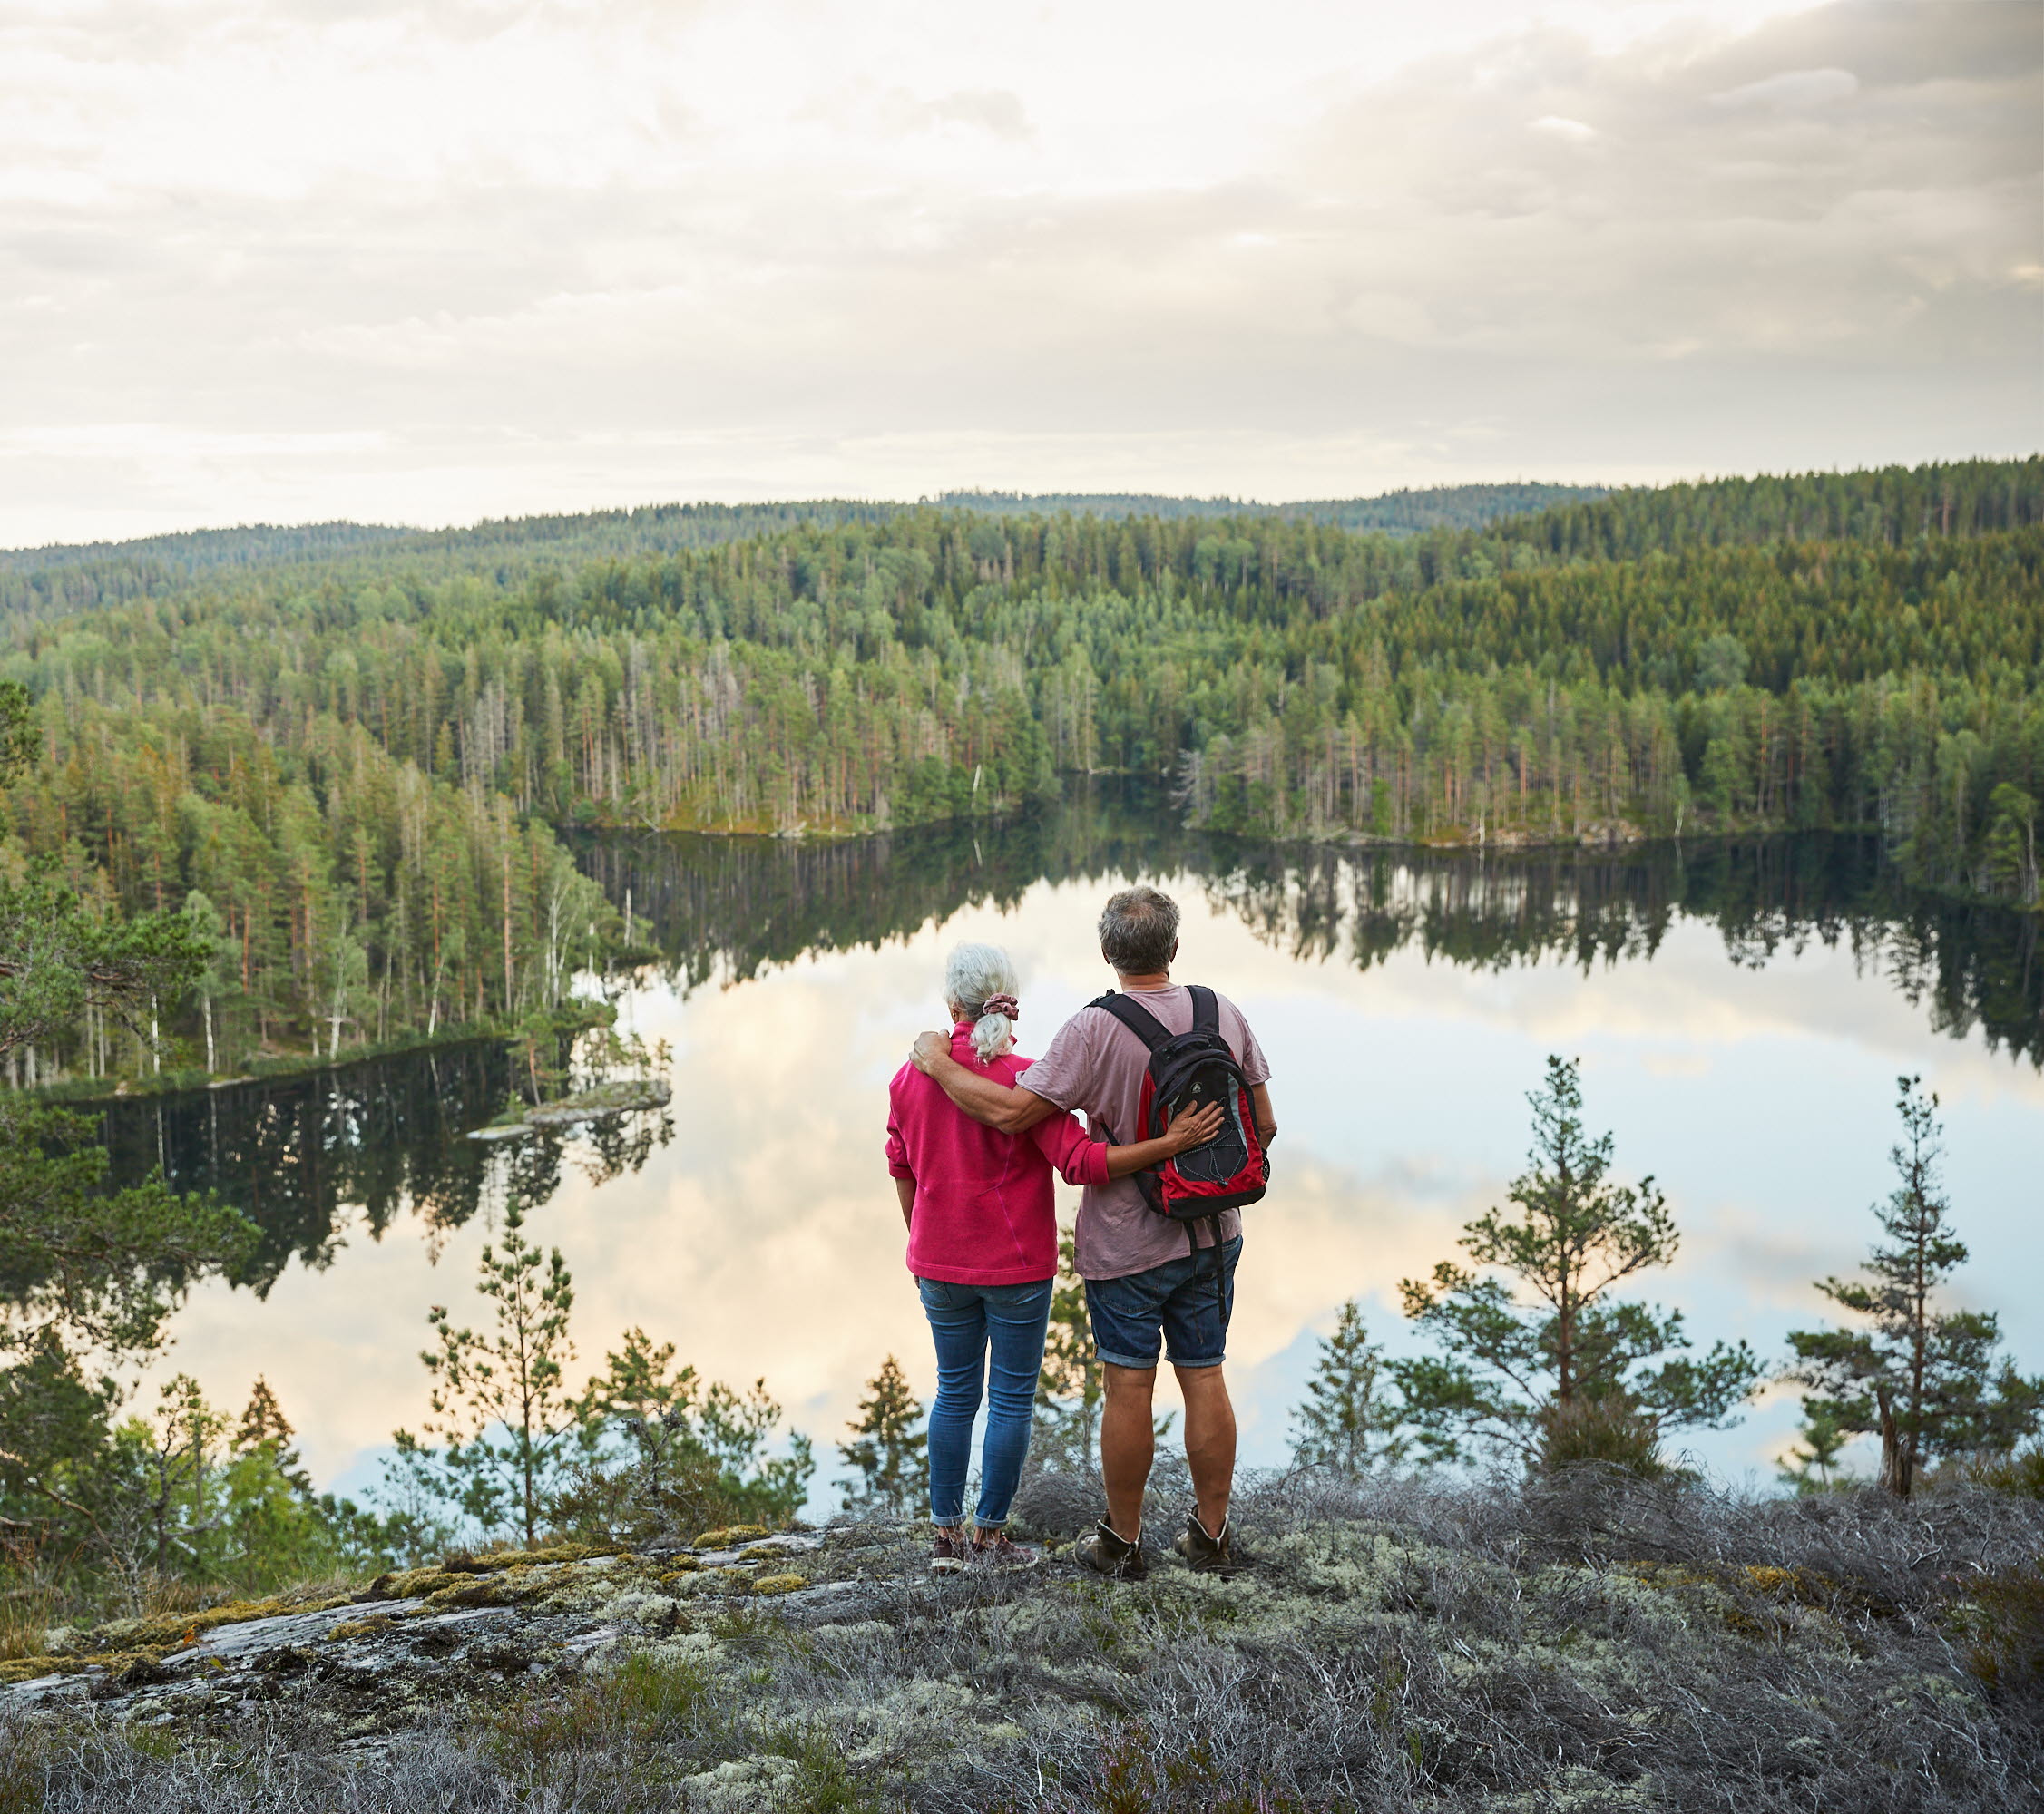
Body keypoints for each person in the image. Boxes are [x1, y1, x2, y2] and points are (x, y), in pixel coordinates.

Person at [912, 885, 1275, 1579]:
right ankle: (1211, 1535)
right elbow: (1265, 1122)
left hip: (1127, 1246)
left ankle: (1122, 1543)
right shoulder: (1221, 1010)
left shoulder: (1091, 1029)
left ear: (1108, 952)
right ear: (1173, 946)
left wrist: (935, 1063)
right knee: (1204, 1375)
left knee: (1129, 1389)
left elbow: (1016, 1114)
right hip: (1212, 1232)